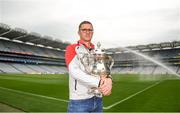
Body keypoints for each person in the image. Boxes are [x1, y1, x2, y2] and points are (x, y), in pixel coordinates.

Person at [65, 21, 112, 112]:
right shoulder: (72, 48)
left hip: (98, 100)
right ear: (79, 32)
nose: (87, 32)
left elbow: (104, 69)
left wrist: (109, 80)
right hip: (79, 102)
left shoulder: (97, 51)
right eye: (84, 30)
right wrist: (100, 83)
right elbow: (75, 72)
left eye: (90, 30)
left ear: (93, 32)